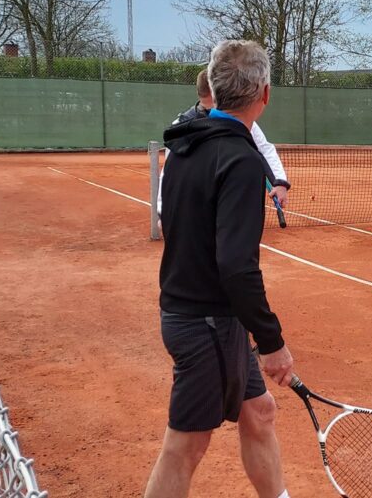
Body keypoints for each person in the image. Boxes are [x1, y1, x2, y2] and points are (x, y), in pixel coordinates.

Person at [145, 40, 295, 498]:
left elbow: (168, 220)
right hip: (205, 320)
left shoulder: (186, 145)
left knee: (259, 412)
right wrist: (271, 344)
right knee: (185, 446)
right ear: (264, 95)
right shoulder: (240, 159)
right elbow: (236, 266)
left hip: (204, 315)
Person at [157, 69, 289, 218]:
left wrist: (280, 182)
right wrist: (163, 211)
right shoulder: (181, 125)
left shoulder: (240, 120)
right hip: (196, 210)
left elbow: (265, 148)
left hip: (230, 204)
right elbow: (170, 172)